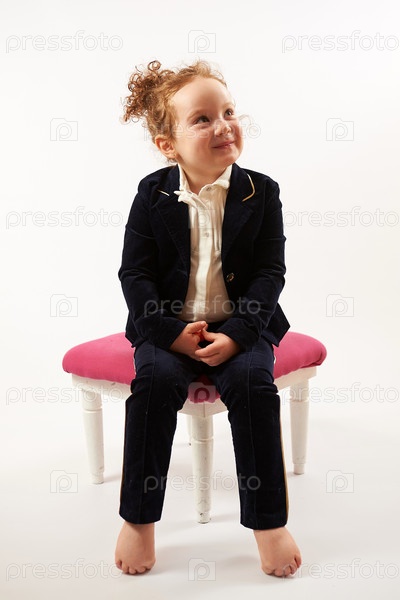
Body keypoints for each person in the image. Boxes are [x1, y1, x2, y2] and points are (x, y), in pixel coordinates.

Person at [115, 59, 302, 578]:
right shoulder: (151, 193)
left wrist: (238, 336)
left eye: (228, 112)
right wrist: (170, 334)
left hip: (242, 326)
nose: (223, 125)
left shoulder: (261, 191)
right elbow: (135, 274)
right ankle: (138, 519)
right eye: (202, 119)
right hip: (167, 328)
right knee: (153, 386)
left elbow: (270, 272)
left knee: (253, 387)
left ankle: (268, 524)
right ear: (167, 144)